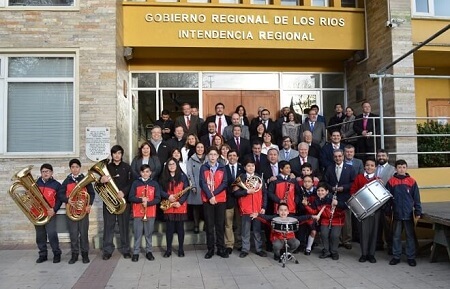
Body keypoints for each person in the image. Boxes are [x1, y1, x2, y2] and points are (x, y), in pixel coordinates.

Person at [58, 159, 95, 264]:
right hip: (71, 211)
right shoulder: (67, 181)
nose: (75, 169)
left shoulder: (85, 180)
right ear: (70, 168)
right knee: (73, 234)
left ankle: (85, 254)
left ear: (80, 168)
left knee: (84, 234)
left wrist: (89, 205)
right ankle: (74, 255)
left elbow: (91, 194)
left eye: (77, 167)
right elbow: (60, 194)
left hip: (83, 212)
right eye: (73, 167)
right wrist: (67, 199)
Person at [386, 160, 422, 267]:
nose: (401, 169)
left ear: (406, 168)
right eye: (399, 167)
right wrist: (388, 211)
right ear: (396, 169)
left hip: (408, 213)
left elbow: (416, 198)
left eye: (403, 167)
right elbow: (388, 198)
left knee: (410, 236)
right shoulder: (391, 182)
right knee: (396, 236)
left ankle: (411, 257)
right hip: (396, 213)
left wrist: (418, 211)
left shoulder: (412, 181)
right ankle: (396, 256)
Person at [100, 145, 133, 260]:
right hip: (109, 201)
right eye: (114, 153)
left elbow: (132, 183)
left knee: (124, 227)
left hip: (123, 201)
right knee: (109, 226)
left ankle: (126, 250)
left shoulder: (127, 168)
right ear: (112, 154)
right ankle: (107, 251)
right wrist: (101, 180)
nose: (117, 155)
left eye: (119, 153)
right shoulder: (106, 168)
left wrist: (124, 192)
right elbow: (98, 185)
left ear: (122, 154)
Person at [233, 158, 267, 258]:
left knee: (257, 230)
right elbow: (235, 193)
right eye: (248, 166)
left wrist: (264, 206)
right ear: (244, 167)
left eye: (252, 166)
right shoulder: (241, 178)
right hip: (245, 208)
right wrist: (246, 192)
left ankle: (259, 249)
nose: (251, 168)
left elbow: (264, 193)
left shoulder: (259, 178)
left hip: (257, 208)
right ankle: (245, 249)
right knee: (245, 230)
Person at [323, 149, 356, 250]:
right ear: (333, 158)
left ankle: (347, 240)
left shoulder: (350, 168)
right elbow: (325, 181)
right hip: (333, 197)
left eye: (340, 156)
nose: (338, 158)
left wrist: (344, 187)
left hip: (345, 197)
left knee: (346, 219)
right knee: (335, 219)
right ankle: (338, 240)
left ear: (343, 156)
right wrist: (330, 188)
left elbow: (353, 183)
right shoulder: (329, 168)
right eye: (336, 156)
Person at [199, 147, 229, 259]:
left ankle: (221, 248)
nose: (212, 156)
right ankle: (210, 249)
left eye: (214, 154)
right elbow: (202, 183)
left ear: (218, 156)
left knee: (220, 225)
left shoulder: (222, 167)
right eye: (210, 154)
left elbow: (224, 183)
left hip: (220, 199)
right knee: (210, 225)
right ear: (208, 156)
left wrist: (214, 194)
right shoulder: (203, 167)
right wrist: (210, 196)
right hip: (207, 200)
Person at [304, 182, 346, 260]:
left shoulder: (333, 198)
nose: (320, 192)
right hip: (325, 219)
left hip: (337, 219)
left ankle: (334, 252)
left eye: (322, 190)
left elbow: (345, 206)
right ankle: (326, 251)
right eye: (318, 190)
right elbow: (314, 212)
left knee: (335, 235)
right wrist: (306, 205)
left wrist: (338, 203)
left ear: (327, 191)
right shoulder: (316, 201)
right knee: (324, 234)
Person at [350, 158, 380, 263]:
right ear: (364, 167)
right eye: (367, 165)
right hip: (362, 209)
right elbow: (353, 191)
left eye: (372, 165)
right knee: (363, 232)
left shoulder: (378, 180)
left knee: (373, 232)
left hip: (375, 210)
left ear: (375, 168)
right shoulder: (359, 178)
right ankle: (364, 253)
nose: (369, 167)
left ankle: (371, 254)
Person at [129, 164, 161, 262]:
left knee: (149, 233)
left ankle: (149, 252)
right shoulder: (135, 183)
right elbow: (130, 197)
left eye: (147, 171)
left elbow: (158, 198)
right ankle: (136, 252)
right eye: (143, 172)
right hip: (138, 212)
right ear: (140, 173)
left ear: (150, 173)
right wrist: (141, 199)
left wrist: (149, 203)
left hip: (150, 212)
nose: (145, 173)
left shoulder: (154, 183)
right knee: (137, 233)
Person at [160, 158, 190, 258]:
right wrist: (168, 196)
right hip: (169, 205)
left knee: (180, 229)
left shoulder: (183, 176)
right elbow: (159, 190)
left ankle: (181, 249)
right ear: (167, 166)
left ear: (177, 165)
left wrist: (180, 202)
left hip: (180, 206)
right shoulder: (163, 177)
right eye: (169, 165)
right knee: (169, 229)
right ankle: (168, 250)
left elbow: (186, 191)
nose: (171, 166)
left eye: (173, 164)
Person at [35, 163, 62, 264]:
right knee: (40, 235)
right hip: (38, 214)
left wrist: (54, 209)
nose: (45, 173)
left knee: (51, 234)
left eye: (47, 171)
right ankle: (43, 255)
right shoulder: (35, 184)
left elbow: (59, 200)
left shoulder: (56, 185)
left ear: (51, 172)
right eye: (43, 171)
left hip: (50, 213)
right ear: (41, 173)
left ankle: (56, 253)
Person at [224, 149, 245, 254]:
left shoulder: (243, 169)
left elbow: (247, 184)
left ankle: (239, 243)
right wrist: (231, 189)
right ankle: (229, 244)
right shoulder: (223, 169)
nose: (232, 157)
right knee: (228, 223)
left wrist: (239, 189)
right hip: (228, 199)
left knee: (239, 223)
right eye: (230, 155)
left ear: (237, 157)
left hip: (241, 200)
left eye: (234, 155)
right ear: (227, 157)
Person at [375, 149, 396, 252]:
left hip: (387, 201)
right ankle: (378, 244)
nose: (381, 157)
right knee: (377, 225)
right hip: (375, 201)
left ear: (387, 157)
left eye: (383, 155)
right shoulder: (373, 168)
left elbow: (394, 186)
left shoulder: (393, 170)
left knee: (388, 226)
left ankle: (390, 246)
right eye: (379, 156)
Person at [186, 142, 206, 234]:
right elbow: (189, 173)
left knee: (206, 206)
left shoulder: (208, 158)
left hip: (206, 186)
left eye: (202, 147)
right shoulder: (191, 159)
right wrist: (193, 185)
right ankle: (196, 225)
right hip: (196, 185)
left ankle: (206, 225)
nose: (200, 149)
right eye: (198, 147)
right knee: (196, 207)